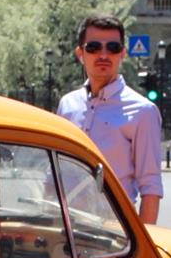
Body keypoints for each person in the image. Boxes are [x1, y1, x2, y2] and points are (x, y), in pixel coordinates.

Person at [57, 14, 164, 224]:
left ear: (122, 53)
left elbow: (151, 186)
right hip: (66, 227)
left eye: (113, 47)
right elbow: (55, 174)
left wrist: (144, 240)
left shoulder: (143, 111)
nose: (103, 55)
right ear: (80, 54)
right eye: (94, 47)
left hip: (114, 231)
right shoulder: (67, 105)